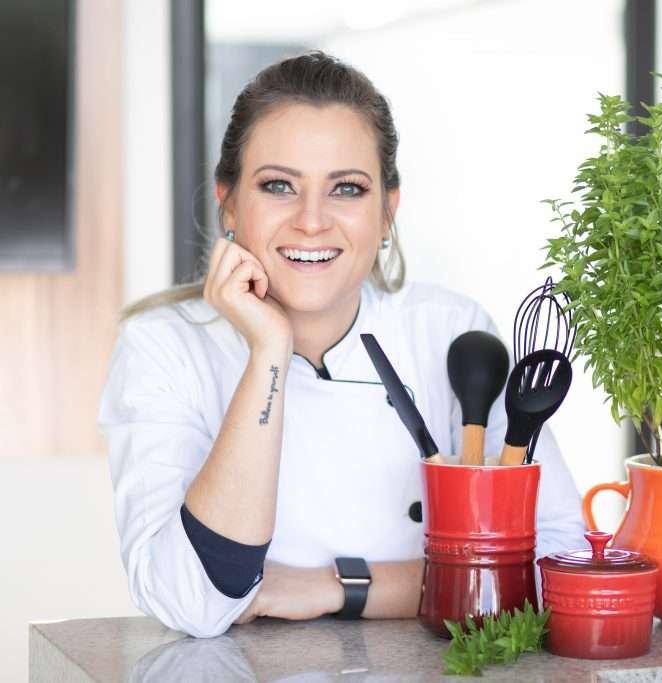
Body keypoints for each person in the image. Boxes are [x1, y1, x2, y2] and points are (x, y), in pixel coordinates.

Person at [98, 51, 585, 639]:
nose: (311, 220)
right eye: (278, 185)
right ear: (227, 201)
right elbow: (192, 600)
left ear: (386, 213)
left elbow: (560, 565)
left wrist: (339, 586)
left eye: (346, 189)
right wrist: (268, 353)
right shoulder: (164, 349)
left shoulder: (450, 332)